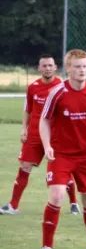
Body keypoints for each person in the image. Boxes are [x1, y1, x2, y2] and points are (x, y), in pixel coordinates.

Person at [38, 49, 86, 249]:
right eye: (77, 67)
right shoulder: (58, 93)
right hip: (61, 154)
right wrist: (47, 145)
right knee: (57, 195)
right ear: (68, 69)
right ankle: (47, 248)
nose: (82, 70)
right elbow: (44, 119)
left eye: (85, 66)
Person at [0, 55, 80, 216]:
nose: (47, 68)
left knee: (63, 169)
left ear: (56, 67)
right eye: (44, 66)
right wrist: (24, 129)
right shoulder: (32, 87)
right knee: (25, 166)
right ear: (39, 68)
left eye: (50, 65)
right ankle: (13, 206)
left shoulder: (62, 87)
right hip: (35, 134)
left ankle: (73, 203)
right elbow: (28, 110)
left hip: (57, 136)